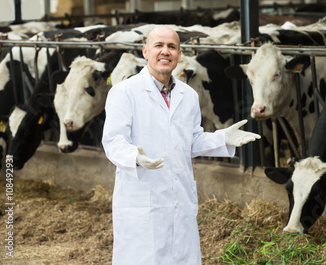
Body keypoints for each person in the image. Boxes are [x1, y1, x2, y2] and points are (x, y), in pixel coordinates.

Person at [102, 25, 260, 264]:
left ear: (178, 55)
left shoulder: (188, 96)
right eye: (159, 46)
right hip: (142, 200)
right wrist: (135, 157)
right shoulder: (124, 92)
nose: (165, 52)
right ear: (145, 52)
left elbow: (190, 140)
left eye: (172, 47)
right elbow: (113, 141)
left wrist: (221, 138)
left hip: (179, 200)